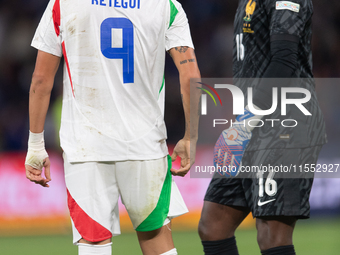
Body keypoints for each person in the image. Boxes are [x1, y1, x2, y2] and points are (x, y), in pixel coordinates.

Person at [25, 0, 200, 254]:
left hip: (87, 148)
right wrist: (190, 137)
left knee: (93, 242)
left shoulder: (62, 4)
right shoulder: (166, 5)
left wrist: (35, 145)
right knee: (156, 241)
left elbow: (41, 80)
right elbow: (191, 76)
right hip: (145, 145)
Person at [198, 0, 327, 255]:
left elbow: (284, 60)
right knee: (213, 225)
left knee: (272, 235)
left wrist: (244, 124)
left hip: (287, 126)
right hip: (253, 124)